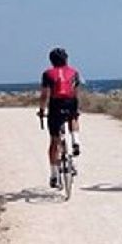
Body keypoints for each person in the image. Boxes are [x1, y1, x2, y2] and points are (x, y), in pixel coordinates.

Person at [38, 47, 81, 188]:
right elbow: (75, 91)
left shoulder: (47, 74)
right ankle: (75, 141)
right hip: (71, 102)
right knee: (73, 118)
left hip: (55, 105)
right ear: (66, 59)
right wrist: (76, 107)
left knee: (54, 142)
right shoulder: (74, 72)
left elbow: (45, 95)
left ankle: (54, 175)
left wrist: (42, 110)